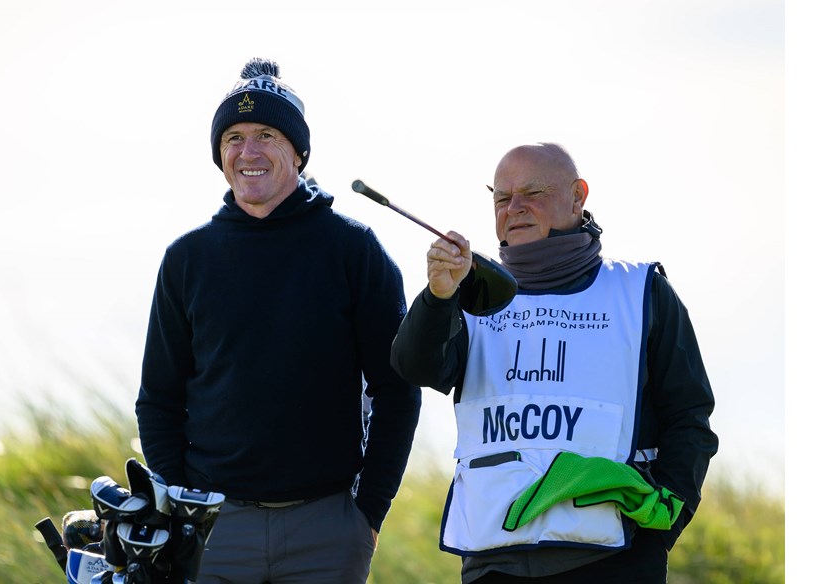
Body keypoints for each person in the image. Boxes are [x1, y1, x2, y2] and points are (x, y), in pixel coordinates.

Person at [135, 57, 422, 583]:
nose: (249, 152)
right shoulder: (187, 259)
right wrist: (179, 508)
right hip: (212, 530)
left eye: (267, 134)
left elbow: (397, 389)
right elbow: (158, 399)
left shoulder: (353, 250)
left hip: (327, 529)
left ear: (298, 151)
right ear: (220, 153)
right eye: (235, 137)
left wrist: (368, 512)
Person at [390, 143, 718, 583]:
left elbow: (689, 417)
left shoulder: (642, 291)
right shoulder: (466, 293)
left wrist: (662, 527)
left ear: (578, 196)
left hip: (614, 560)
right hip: (494, 560)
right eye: (502, 198)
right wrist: (437, 296)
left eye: (533, 192)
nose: (515, 208)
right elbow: (416, 368)